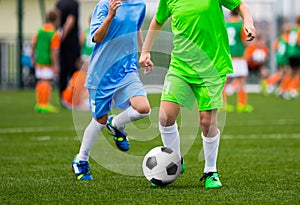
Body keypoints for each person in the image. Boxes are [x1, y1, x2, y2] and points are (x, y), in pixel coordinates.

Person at [139, 0, 255, 188]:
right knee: (165, 116)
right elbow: (157, 21)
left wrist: (248, 22)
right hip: (180, 66)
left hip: (212, 66)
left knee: (206, 122)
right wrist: (145, 51)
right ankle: (174, 161)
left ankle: (210, 171)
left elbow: (241, 6)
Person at [71, 0, 151, 180]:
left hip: (127, 71)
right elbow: (97, 37)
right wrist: (110, 16)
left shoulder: (139, 5)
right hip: (101, 74)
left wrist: (144, 53)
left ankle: (116, 124)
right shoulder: (103, 5)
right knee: (99, 120)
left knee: (143, 108)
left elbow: (136, 28)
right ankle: (81, 160)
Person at [61, 15, 95, 110]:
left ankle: (81, 99)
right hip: (93, 58)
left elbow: (81, 44)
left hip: (85, 57)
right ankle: (86, 100)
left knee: (83, 79)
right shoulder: (99, 30)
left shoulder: (85, 32)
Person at [31, 8, 60, 113]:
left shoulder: (40, 30)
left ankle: (39, 104)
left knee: (40, 82)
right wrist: (56, 65)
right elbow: (53, 51)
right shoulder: (54, 34)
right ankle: (45, 104)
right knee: (46, 82)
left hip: (39, 60)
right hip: (47, 61)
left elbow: (33, 44)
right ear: (56, 20)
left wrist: (33, 57)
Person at [225, 10, 253, 112]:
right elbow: (245, 40)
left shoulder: (225, 24)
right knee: (241, 81)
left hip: (227, 55)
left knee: (224, 81)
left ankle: (223, 104)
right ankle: (241, 104)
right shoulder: (241, 24)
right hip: (239, 55)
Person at [56, 0, 80, 101]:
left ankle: (63, 97)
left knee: (63, 70)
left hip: (61, 44)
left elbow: (56, 20)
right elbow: (70, 20)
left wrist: (58, 36)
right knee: (74, 70)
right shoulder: (73, 4)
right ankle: (73, 97)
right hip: (71, 42)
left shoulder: (59, 4)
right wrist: (63, 35)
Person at [262, 24, 291, 95]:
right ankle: (271, 84)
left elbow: (274, 46)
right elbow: (290, 48)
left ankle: (280, 88)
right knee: (286, 73)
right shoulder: (288, 38)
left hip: (279, 57)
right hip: (284, 57)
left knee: (282, 73)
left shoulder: (280, 38)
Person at [277, 15, 300, 99]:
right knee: (295, 72)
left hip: (290, 53)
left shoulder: (293, 29)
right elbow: (298, 41)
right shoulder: (298, 30)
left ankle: (284, 89)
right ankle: (292, 90)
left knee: (289, 72)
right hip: (297, 53)